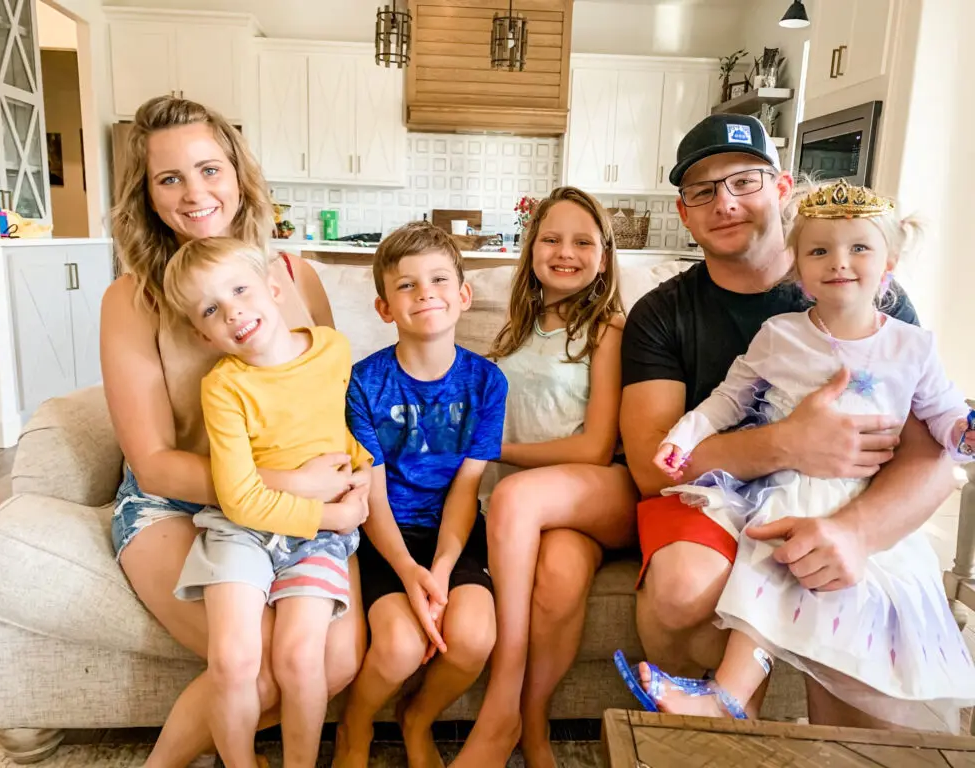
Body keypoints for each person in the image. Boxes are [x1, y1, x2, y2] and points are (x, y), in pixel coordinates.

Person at [617, 114, 958, 728]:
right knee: (685, 587)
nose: (725, 202)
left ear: (782, 187)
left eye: (745, 180)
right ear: (684, 212)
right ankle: (717, 728)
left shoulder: (877, 302)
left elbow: (934, 444)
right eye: (703, 190)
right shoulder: (666, 313)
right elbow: (653, 465)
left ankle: (817, 732)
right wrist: (786, 443)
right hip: (729, 492)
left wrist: (856, 532)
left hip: (855, 496)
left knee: (848, 597)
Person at [103, 95, 367, 768]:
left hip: (296, 503)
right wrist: (292, 484)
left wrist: (351, 488)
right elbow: (156, 462)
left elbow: (328, 402)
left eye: (209, 169)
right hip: (176, 503)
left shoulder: (294, 274)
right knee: (255, 670)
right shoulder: (132, 298)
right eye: (170, 179)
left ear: (239, 175)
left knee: (331, 660)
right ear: (148, 196)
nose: (195, 194)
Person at [160, 237, 372, 767]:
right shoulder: (224, 387)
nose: (233, 311)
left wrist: (364, 477)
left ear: (274, 289)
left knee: (302, 656)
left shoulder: (333, 349)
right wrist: (330, 512)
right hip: (244, 528)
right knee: (233, 659)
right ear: (201, 333)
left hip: (318, 539)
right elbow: (239, 499)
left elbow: (347, 430)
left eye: (240, 290)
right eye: (211, 308)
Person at [452, 187, 639, 768]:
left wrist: (494, 449)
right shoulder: (514, 328)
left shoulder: (608, 329)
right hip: (537, 509)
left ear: (604, 256)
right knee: (557, 579)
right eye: (552, 239)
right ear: (532, 249)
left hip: (593, 486)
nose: (566, 252)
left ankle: (499, 707)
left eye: (583, 242)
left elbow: (594, 445)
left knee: (512, 493)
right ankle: (532, 730)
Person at [335, 222, 507, 768]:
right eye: (406, 286)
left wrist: (443, 567)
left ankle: (417, 717)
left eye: (437, 280)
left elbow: (466, 487)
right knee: (400, 646)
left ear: (463, 295)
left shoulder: (486, 382)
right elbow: (372, 498)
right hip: (386, 534)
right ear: (385, 308)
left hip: (453, 532)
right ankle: (354, 726)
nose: (424, 292)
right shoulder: (363, 383)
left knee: (473, 639)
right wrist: (412, 573)